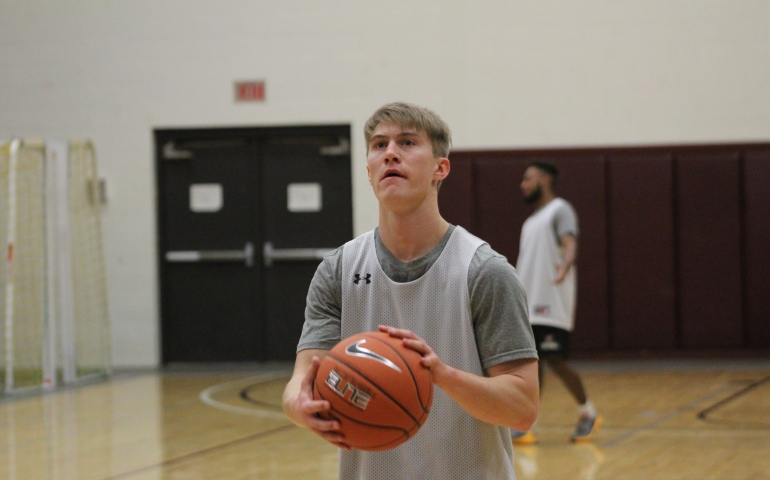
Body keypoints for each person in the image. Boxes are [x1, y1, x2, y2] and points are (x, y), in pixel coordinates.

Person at [282, 102, 539, 480]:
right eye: (379, 145)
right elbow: (302, 379)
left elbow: (523, 408)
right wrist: (299, 405)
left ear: (440, 168)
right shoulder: (338, 271)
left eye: (407, 142)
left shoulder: (484, 271)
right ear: (368, 170)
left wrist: (442, 375)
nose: (390, 153)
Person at [511, 161, 601, 445]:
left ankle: (588, 413)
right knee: (532, 364)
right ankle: (527, 424)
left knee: (556, 360)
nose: (523, 184)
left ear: (545, 180)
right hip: (529, 304)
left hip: (551, 304)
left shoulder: (560, 210)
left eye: (528, 179)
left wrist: (566, 262)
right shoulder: (529, 222)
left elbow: (569, 242)